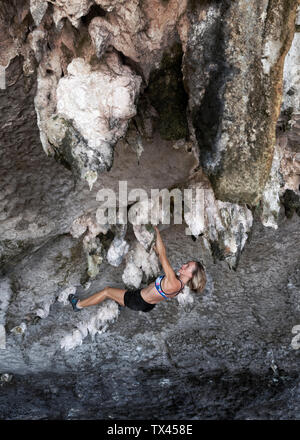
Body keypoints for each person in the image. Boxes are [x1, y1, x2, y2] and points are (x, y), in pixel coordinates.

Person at [68, 226, 207, 313]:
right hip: (147, 303)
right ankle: (122, 303)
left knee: (107, 292)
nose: (184, 265)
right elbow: (159, 254)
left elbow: (162, 254)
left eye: (187, 266)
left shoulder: (174, 282)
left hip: (137, 300)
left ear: (190, 275)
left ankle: (78, 305)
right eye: (186, 263)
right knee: (124, 295)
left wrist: (156, 230)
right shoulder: (179, 287)